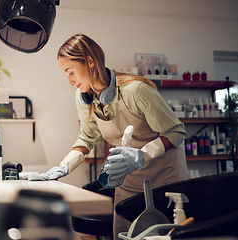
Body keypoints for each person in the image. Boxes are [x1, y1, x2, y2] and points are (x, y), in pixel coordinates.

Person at [32, 33, 188, 238]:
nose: (70, 81)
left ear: (89, 61)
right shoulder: (85, 99)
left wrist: (142, 154)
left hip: (164, 181)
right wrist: (64, 166)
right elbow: (88, 138)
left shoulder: (135, 90)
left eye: (71, 72)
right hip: (128, 182)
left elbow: (176, 132)